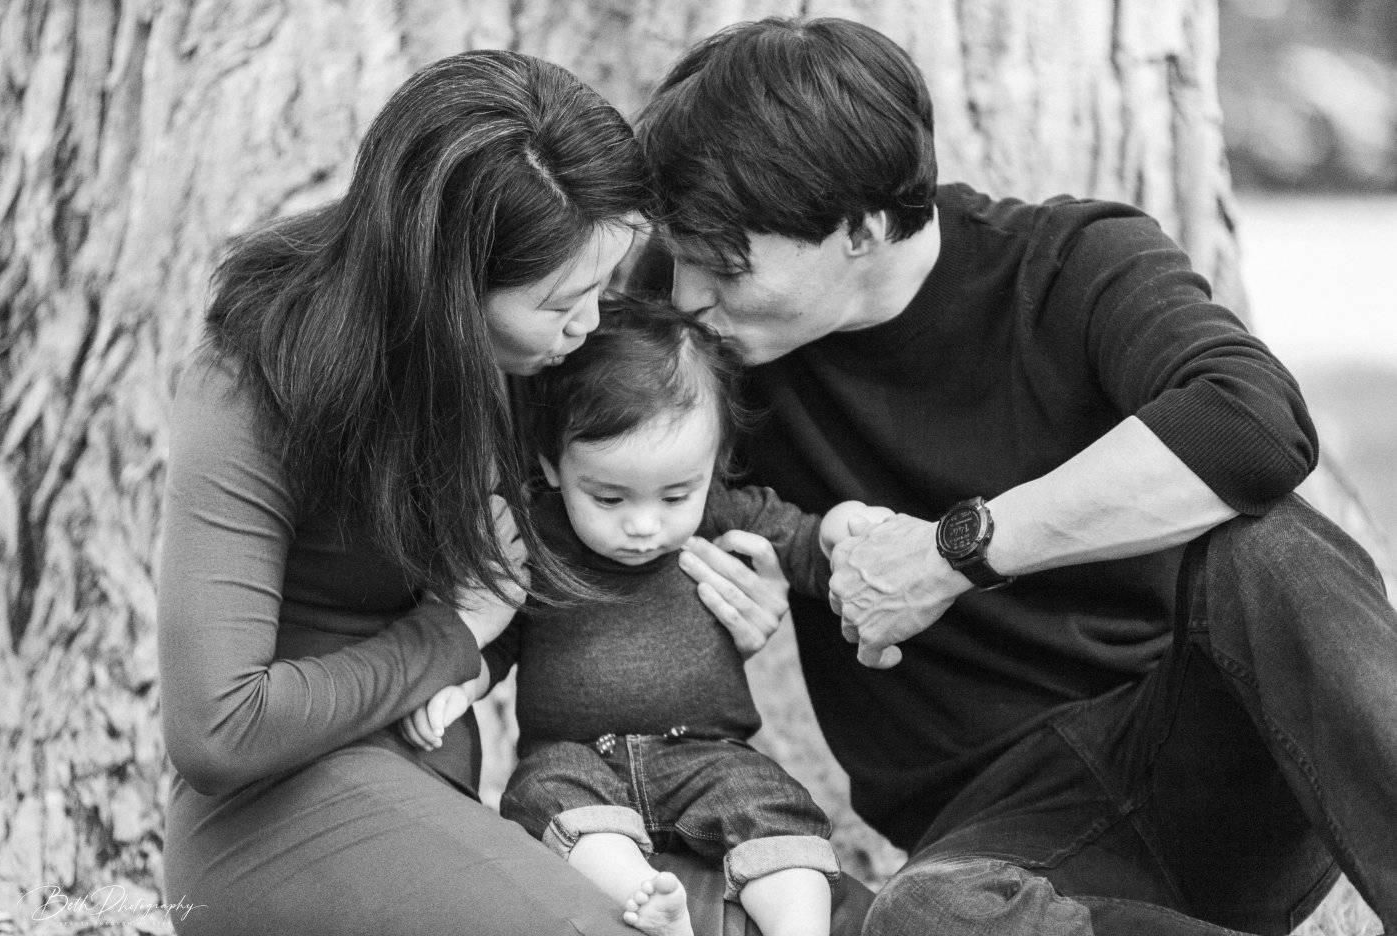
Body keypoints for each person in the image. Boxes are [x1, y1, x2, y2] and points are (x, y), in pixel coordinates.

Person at [634, 15, 1397, 936]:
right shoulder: (696, 328)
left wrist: (955, 553)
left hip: (1208, 758)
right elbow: (594, 463)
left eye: (721, 267)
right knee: (927, 916)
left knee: (1266, 542)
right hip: (1003, 842)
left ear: (864, 227)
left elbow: (1253, 425)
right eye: (679, 258)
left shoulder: (1073, 262)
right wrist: (791, 548)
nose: (684, 298)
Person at [156, 49, 862, 936]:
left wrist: (704, 606)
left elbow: (629, 496)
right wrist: (450, 636)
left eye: (603, 287)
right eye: (562, 301)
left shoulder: (532, 354)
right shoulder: (253, 383)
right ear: (448, 291)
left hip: (455, 794)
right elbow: (218, 730)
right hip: (279, 806)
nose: (593, 324)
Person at [400, 297, 892, 936]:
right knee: (543, 800)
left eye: (675, 495)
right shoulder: (533, 538)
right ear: (552, 466)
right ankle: (653, 904)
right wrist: (456, 681)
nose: (642, 524)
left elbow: (803, 546)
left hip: (708, 751)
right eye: (607, 497)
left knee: (772, 811)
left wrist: (843, 536)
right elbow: (498, 637)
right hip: (572, 757)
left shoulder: (724, 513)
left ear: (711, 466)